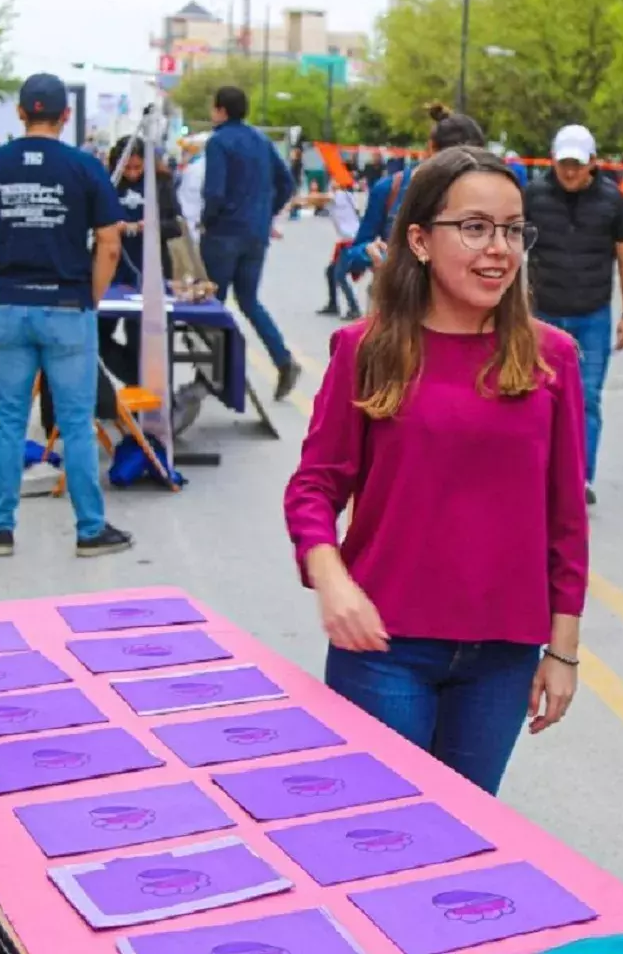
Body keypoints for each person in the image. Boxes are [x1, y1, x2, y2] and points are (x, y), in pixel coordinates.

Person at [283, 147, 586, 796]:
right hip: (384, 647)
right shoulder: (365, 348)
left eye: (512, 229)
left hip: (503, 655)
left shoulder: (552, 357)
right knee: (381, 834)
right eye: (475, 227)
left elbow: (565, 520)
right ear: (419, 240)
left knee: (464, 839)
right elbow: (315, 485)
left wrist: (562, 649)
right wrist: (332, 578)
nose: (499, 248)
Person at [0, 72, 133, 558]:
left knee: (10, 422)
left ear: (21, 112)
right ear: (65, 115)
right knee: (78, 423)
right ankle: (89, 530)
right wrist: (90, 297)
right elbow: (109, 242)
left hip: (11, 305)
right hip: (66, 307)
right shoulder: (85, 168)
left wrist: (5, 282)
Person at [525, 123, 623, 506]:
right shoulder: (533, 196)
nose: (570, 171)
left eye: (577, 163)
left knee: (587, 398)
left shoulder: (613, 202)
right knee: (535, 397)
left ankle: (579, 478)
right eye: (563, 164)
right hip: (542, 314)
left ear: (592, 162)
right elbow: (510, 250)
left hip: (593, 315)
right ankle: (535, 474)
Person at [332, 102, 487, 317]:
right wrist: (371, 252)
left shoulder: (486, 195)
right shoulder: (390, 189)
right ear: (431, 149)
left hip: (463, 318)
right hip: (399, 316)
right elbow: (354, 256)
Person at [201, 86, 301, 399]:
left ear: (220, 110)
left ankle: (219, 372)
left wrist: (207, 219)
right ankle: (282, 359)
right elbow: (287, 183)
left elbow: (215, 191)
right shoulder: (261, 140)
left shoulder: (218, 141)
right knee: (248, 300)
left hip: (223, 233)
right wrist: (265, 214)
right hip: (255, 234)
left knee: (210, 304)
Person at [104, 134, 184, 386]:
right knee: (97, 333)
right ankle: (134, 378)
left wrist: (150, 225)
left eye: (138, 168)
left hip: (149, 268)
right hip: (113, 268)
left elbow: (175, 226)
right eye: (127, 168)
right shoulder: (109, 183)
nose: (132, 173)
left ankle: (144, 393)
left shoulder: (161, 184)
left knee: (141, 335)